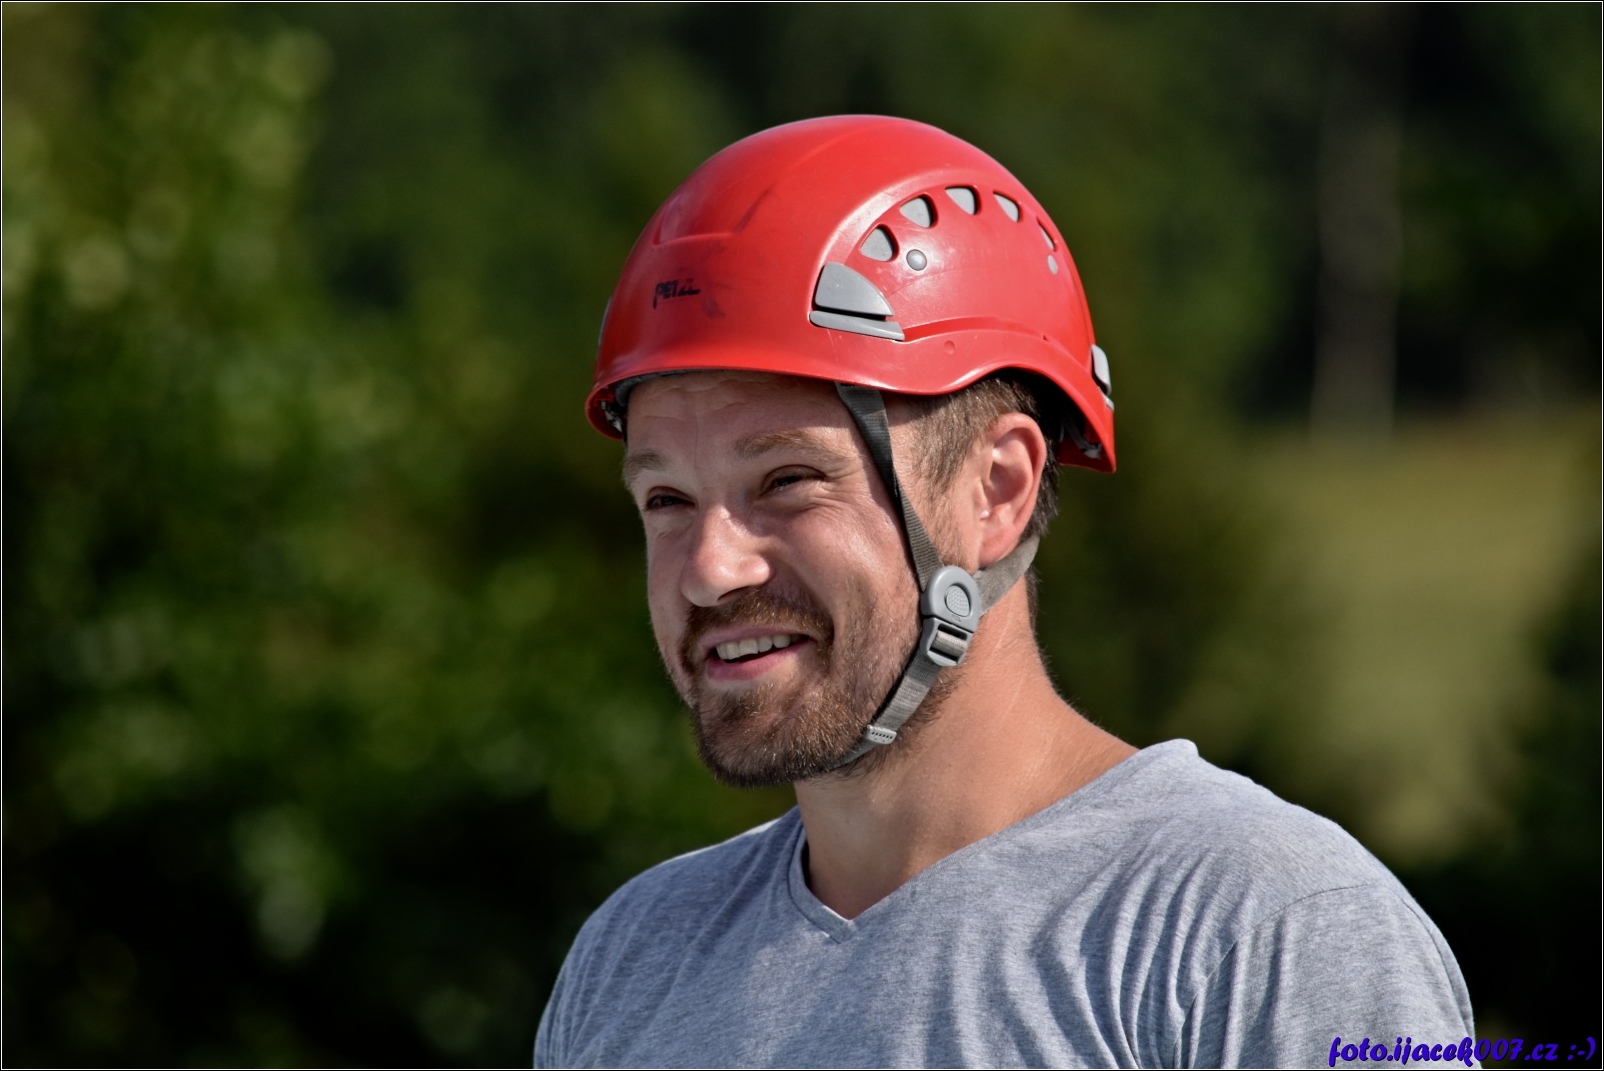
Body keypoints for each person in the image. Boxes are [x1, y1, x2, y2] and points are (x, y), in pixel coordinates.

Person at [534, 115, 1474, 1068]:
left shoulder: (1261, 927)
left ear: (997, 490)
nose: (709, 566)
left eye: (787, 481)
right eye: (667, 499)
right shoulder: (630, 961)